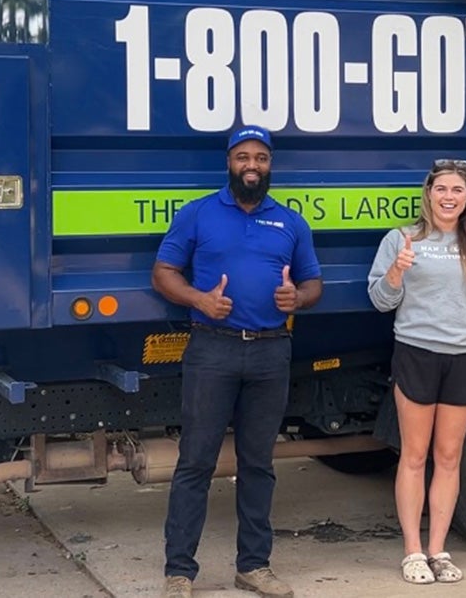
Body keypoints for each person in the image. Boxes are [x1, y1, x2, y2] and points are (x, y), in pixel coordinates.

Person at [152, 125, 323, 598]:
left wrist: (298, 298)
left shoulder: (290, 222)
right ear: (229, 162)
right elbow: (163, 272)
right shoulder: (199, 214)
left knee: (258, 464)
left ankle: (253, 566)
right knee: (195, 463)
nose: (253, 165)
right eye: (243, 157)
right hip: (213, 348)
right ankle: (179, 572)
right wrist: (200, 300)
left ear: (270, 165)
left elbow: (313, 283)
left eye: (261, 158)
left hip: (271, 350)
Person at [367, 158, 466, 585]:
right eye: (441, 189)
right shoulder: (401, 239)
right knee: (413, 456)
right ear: (428, 194)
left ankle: (438, 550)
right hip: (417, 353)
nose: (449, 197)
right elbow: (380, 300)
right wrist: (397, 271)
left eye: (457, 191)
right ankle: (412, 551)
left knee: (448, 458)